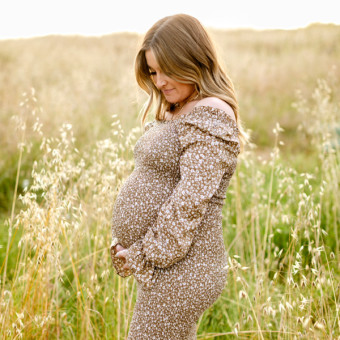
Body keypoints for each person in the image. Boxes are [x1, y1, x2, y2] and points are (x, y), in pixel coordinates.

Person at [110, 13, 248, 339]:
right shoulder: (180, 108)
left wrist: (142, 253)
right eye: (153, 72)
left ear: (193, 59)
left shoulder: (211, 112)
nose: (159, 82)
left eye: (167, 70)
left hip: (185, 269)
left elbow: (189, 201)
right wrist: (127, 242)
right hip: (167, 266)